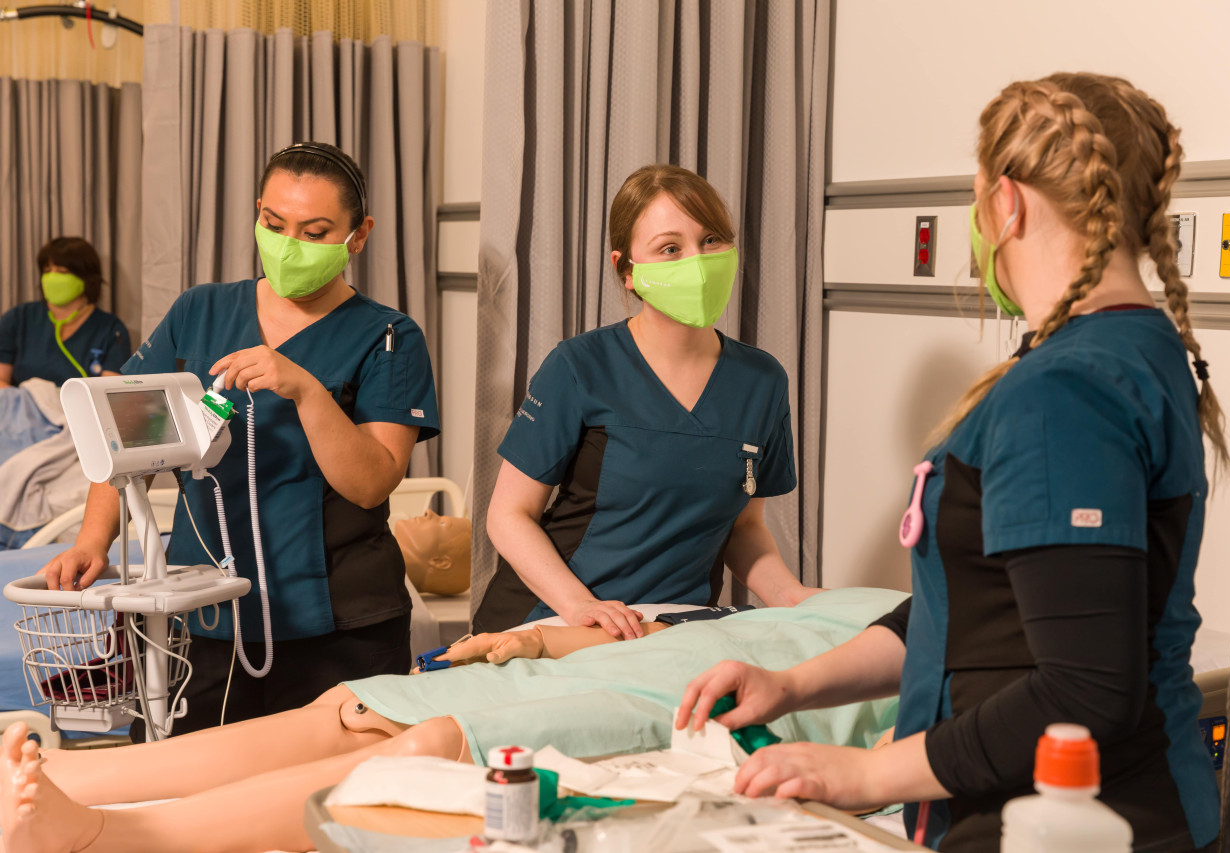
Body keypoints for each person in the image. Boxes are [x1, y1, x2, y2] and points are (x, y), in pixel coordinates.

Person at [677, 73, 1224, 852]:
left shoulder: (1063, 392)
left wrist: (861, 775)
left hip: (1071, 825)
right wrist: (793, 685)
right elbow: (976, 613)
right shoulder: (1134, 351)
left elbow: (1084, 687)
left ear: (1007, 203)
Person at [0, 587, 902, 853]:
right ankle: (70, 775)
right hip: (663, 649)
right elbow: (727, 611)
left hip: (695, 701)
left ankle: (112, 836)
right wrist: (537, 640)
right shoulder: (874, 598)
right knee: (361, 706)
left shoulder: (959, 665)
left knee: (435, 749)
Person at [37, 142, 440, 736]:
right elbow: (124, 446)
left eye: (315, 230)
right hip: (204, 612)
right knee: (194, 790)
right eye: (274, 224)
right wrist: (92, 541)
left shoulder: (388, 336)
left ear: (358, 236)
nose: (289, 244)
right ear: (257, 214)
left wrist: (306, 391)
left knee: (333, 800)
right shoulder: (199, 312)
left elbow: (371, 482)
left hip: (345, 623)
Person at [476, 164, 814, 636]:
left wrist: (792, 596)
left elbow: (743, 528)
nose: (696, 261)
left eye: (712, 239)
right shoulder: (579, 366)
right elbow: (509, 516)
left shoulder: (761, 381)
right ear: (628, 271)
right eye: (670, 248)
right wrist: (580, 607)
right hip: (550, 621)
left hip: (668, 634)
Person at [0, 237, 131, 387]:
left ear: (87, 278)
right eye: (47, 271)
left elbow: (109, 392)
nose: (53, 277)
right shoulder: (19, 318)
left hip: (79, 410)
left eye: (62, 271)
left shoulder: (112, 330)